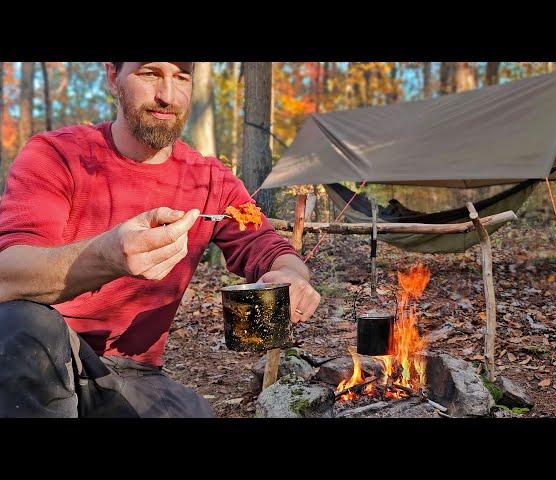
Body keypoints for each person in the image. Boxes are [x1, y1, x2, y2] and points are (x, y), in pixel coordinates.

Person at [0, 62, 321, 418]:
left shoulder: (210, 181)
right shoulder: (57, 155)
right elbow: (7, 275)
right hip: (41, 356)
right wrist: (107, 256)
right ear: (112, 76)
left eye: (182, 77)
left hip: (130, 374)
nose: (167, 96)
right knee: (23, 325)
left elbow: (268, 248)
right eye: (150, 72)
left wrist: (292, 276)